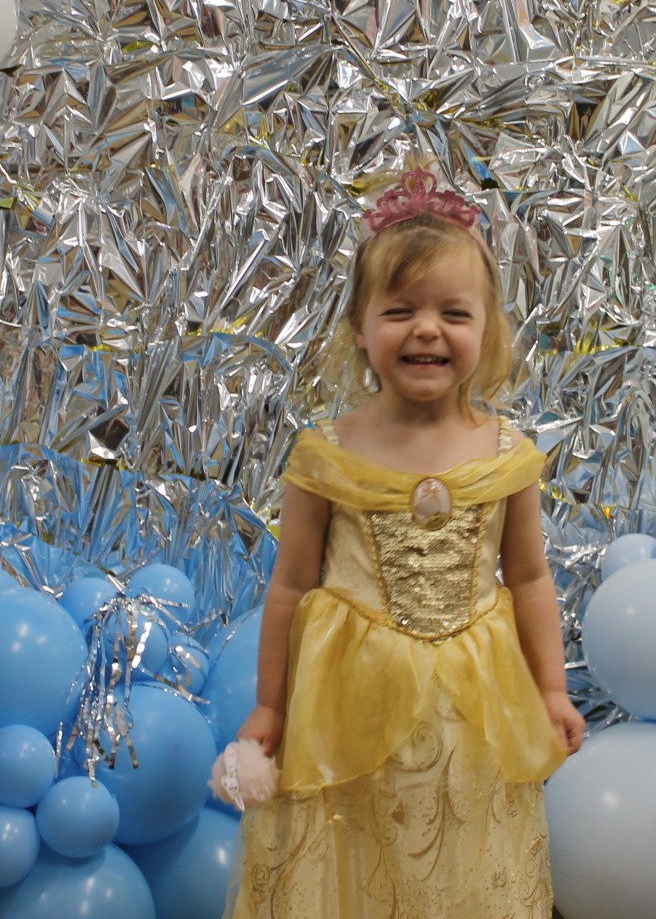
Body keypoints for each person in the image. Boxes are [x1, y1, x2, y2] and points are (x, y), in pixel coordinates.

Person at [231, 167, 585, 918]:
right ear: (359, 329)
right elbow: (291, 587)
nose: (427, 329)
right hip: (347, 700)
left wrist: (551, 691)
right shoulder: (326, 453)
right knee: (359, 851)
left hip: (473, 705)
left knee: (461, 852)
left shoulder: (506, 453)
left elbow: (528, 578)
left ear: (487, 331)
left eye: (454, 312)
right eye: (400, 310)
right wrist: (271, 708)